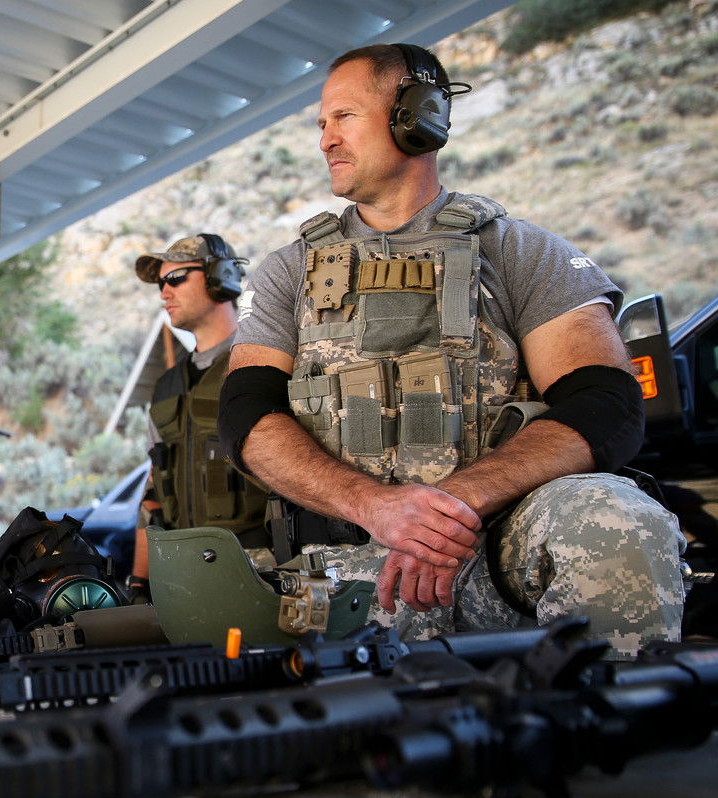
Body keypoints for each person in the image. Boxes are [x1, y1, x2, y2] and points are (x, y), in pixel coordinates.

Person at [219, 44, 684, 660]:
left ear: (419, 116)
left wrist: (454, 505)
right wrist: (378, 508)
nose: (326, 139)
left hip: (494, 543)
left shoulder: (519, 252)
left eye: (344, 117)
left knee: (619, 517)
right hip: (346, 562)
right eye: (321, 124)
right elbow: (245, 414)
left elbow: (606, 403)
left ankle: (613, 725)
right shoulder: (288, 272)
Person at [126, 235, 271, 602]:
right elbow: (152, 494)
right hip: (185, 576)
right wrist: (140, 584)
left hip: (263, 569)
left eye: (174, 278)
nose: (164, 293)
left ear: (218, 276)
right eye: (160, 284)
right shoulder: (166, 387)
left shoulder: (263, 364)